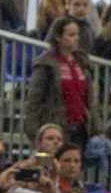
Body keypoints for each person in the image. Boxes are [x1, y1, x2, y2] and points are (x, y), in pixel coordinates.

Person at [26, 18, 92, 149]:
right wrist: (34, 135)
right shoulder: (45, 64)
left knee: (74, 167)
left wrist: (98, 130)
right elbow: (33, 103)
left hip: (79, 130)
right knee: (50, 166)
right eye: (71, 35)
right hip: (53, 130)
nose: (76, 38)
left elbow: (88, 101)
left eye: (77, 34)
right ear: (58, 37)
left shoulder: (81, 64)